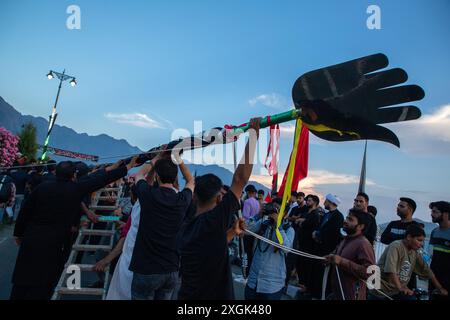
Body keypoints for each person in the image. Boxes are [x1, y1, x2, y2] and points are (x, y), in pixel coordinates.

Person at [10, 157, 137, 300]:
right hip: (56, 243)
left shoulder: (41, 188)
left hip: (31, 239)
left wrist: (18, 234)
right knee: (44, 283)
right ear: (73, 175)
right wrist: (127, 167)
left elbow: (24, 212)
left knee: (22, 281)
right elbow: (101, 179)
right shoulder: (75, 188)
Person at [178, 118, 260, 300]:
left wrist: (231, 231)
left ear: (194, 196)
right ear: (219, 198)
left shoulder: (186, 224)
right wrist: (253, 135)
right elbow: (239, 180)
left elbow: (210, 245)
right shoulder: (212, 220)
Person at [129, 149, 194, 300]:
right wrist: (179, 159)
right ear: (175, 178)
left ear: (157, 176)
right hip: (170, 269)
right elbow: (191, 181)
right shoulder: (182, 200)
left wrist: (157, 157)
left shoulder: (148, 195)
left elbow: (138, 175)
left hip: (146, 268)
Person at [369, 224, 448, 300]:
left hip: (395, 291)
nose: (421, 244)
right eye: (419, 240)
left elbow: (426, 270)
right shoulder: (396, 246)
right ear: (409, 237)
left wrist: (439, 288)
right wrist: (401, 288)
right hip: (381, 290)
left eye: (422, 241)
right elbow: (391, 270)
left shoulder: (414, 252)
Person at [245, 198, 295, 300]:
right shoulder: (264, 223)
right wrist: (258, 215)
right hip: (253, 280)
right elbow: (245, 229)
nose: (273, 211)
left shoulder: (288, 229)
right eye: (273, 208)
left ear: (285, 213)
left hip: (272, 285)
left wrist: (278, 227)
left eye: (277, 209)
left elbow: (286, 248)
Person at [325, 209, 375, 300]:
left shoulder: (363, 244)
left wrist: (342, 261)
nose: (345, 221)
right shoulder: (346, 239)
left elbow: (371, 272)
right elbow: (337, 257)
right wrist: (330, 259)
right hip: (337, 294)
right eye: (347, 218)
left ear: (360, 226)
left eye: (350, 220)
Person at [296, 194, 321, 297]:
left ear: (315, 202)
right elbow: (300, 222)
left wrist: (302, 221)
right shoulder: (307, 212)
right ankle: (302, 285)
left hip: (308, 245)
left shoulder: (315, 214)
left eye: (309, 201)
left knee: (305, 266)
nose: (307, 202)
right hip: (301, 242)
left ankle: (305, 288)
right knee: (300, 265)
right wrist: (301, 221)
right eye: (307, 200)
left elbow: (306, 224)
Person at [428, 201, 450, 300]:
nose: (431, 214)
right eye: (432, 211)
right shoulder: (434, 232)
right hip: (434, 280)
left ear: (446, 214)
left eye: (435, 212)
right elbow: (431, 255)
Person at [242, 184, 260, 276]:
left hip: (247, 229)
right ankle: (250, 272)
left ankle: (245, 273)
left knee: (245, 251)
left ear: (248, 192)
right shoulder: (257, 202)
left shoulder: (247, 202)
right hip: (255, 229)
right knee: (251, 252)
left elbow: (245, 216)